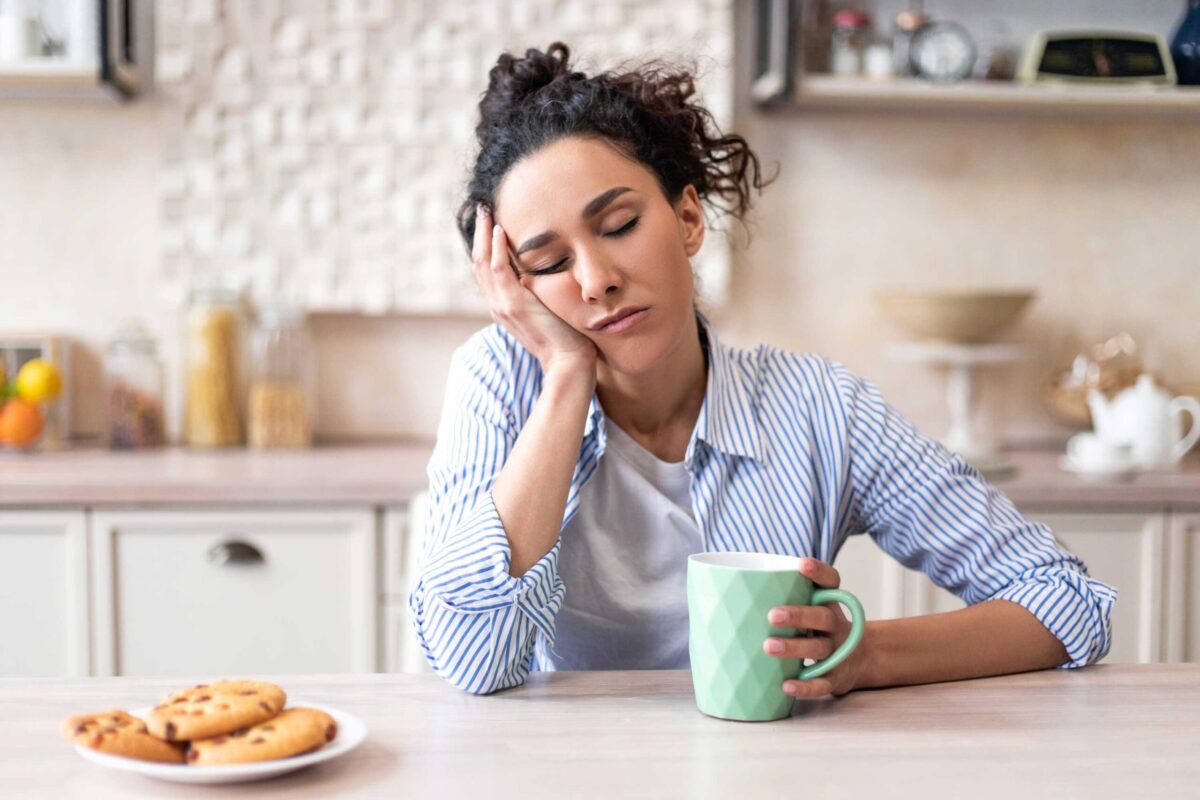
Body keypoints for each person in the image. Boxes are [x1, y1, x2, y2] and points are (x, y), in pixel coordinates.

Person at [407, 42, 1116, 696]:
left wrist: (864, 655)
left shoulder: (817, 408)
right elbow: (472, 659)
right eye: (550, 263)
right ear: (517, 288)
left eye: (619, 225)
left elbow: (1066, 602)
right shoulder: (499, 381)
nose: (595, 280)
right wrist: (565, 374)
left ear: (688, 219)